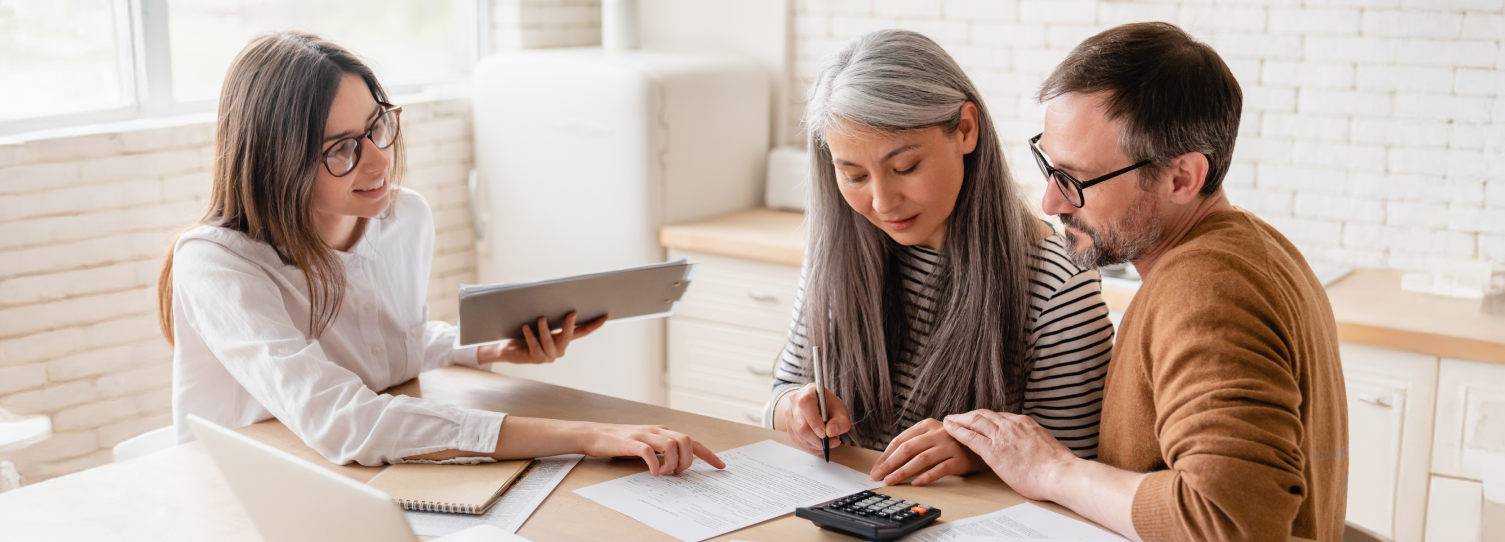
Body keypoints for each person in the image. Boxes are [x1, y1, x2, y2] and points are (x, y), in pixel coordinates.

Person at [158, 31, 723, 477]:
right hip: (243, 484)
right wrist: (585, 436)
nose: (378, 162)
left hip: (353, 476)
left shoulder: (403, 218)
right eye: (343, 150)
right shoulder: (217, 264)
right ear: (274, 159)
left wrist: (487, 349)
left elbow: (383, 350)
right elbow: (346, 420)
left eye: (377, 127)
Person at [942, 23, 1347, 542]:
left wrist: (1052, 470)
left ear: (1182, 178)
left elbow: (1232, 526)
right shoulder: (1256, 248)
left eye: (1076, 179)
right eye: (1049, 166)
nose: (1051, 202)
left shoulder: (1206, 289)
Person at [764, 30, 1114, 488]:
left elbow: (1076, 467)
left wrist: (980, 453)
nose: (883, 202)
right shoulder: (838, 250)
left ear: (966, 129)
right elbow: (779, 395)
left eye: (904, 167)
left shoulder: (1058, 284)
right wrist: (796, 411)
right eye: (853, 175)